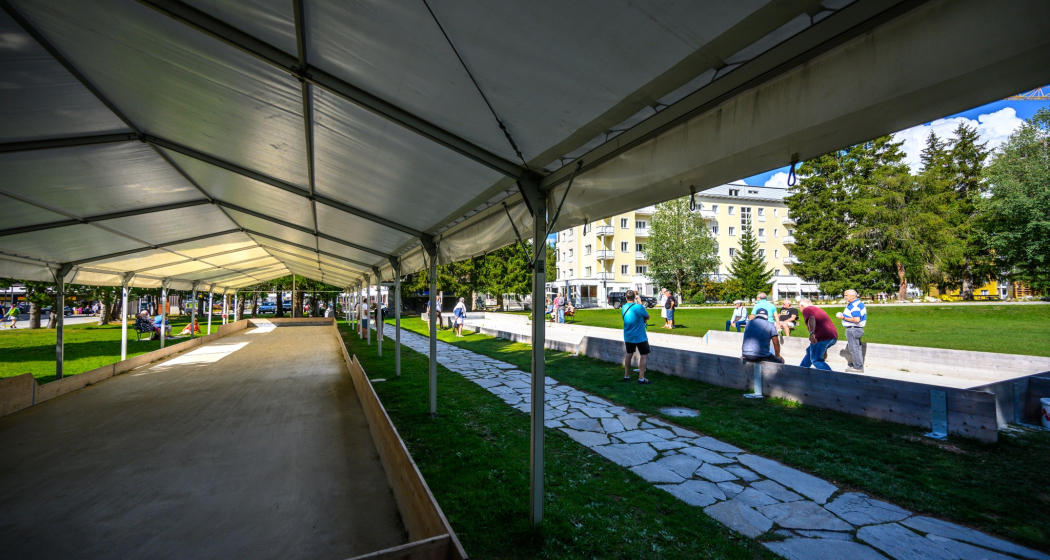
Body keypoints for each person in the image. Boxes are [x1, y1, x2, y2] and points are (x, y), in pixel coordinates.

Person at [620, 290, 652, 384]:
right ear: (634, 297)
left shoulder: (623, 307)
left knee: (629, 354)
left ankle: (626, 376)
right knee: (644, 355)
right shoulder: (639, 307)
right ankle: (641, 378)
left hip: (628, 335)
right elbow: (647, 316)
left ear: (626, 298)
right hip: (640, 336)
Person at [798, 298, 837, 370]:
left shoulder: (806, 309)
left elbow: (811, 318)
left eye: (799, 307)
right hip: (832, 336)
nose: (799, 309)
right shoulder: (818, 309)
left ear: (802, 306)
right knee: (810, 351)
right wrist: (824, 349)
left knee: (816, 360)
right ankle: (801, 370)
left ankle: (831, 377)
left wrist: (812, 333)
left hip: (821, 337)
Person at [836, 289, 867, 373]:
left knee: (854, 349)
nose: (845, 297)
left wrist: (843, 317)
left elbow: (857, 319)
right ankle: (857, 365)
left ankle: (858, 367)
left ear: (853, 296)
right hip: (855, 329)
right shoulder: (856, 304)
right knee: (856, 348)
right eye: (844, 295)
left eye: (846, 295)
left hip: (853, 329)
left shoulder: (855, 305)